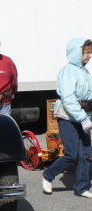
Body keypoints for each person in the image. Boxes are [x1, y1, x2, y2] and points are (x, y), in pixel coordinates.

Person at [42, 38, 92, 198]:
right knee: (72, 154)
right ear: (76, 53)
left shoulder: (85, 71)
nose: (89, 56)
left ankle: (82, 187)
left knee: (85, 152)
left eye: (90, 52)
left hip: (82, 116)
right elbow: (68, 99)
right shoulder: (67, 71)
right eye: (86, 52)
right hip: (68, 117)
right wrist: (83, 119)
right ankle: (48, 175)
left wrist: (86, 117)